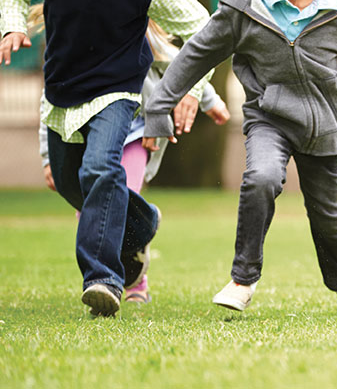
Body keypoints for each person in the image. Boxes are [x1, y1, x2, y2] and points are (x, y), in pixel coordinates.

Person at [143, 0, 337, 316]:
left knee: (327, 214)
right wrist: (159, 107)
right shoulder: (242, 7)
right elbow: (196, 53)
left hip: (326, 123)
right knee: (262, 179)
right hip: (269, 117)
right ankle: (242, 279)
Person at [0, 0, 212, 317]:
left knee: (100, 168)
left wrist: (194, 87)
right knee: (72, 182)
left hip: (118, 93)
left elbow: (200, 28)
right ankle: (143, 220)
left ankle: (103, 279)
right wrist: (14, 24)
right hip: (62, 95)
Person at [36, 18, 231, 304]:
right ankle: (141, 226)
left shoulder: (140, 35)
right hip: (89, 137)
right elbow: (50, 103)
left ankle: (134, 283)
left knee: (113, 204)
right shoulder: (71, 49)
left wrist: (209, 100)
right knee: (92, 212)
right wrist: (47, 157)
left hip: (137, 134)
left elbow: (184, 66)